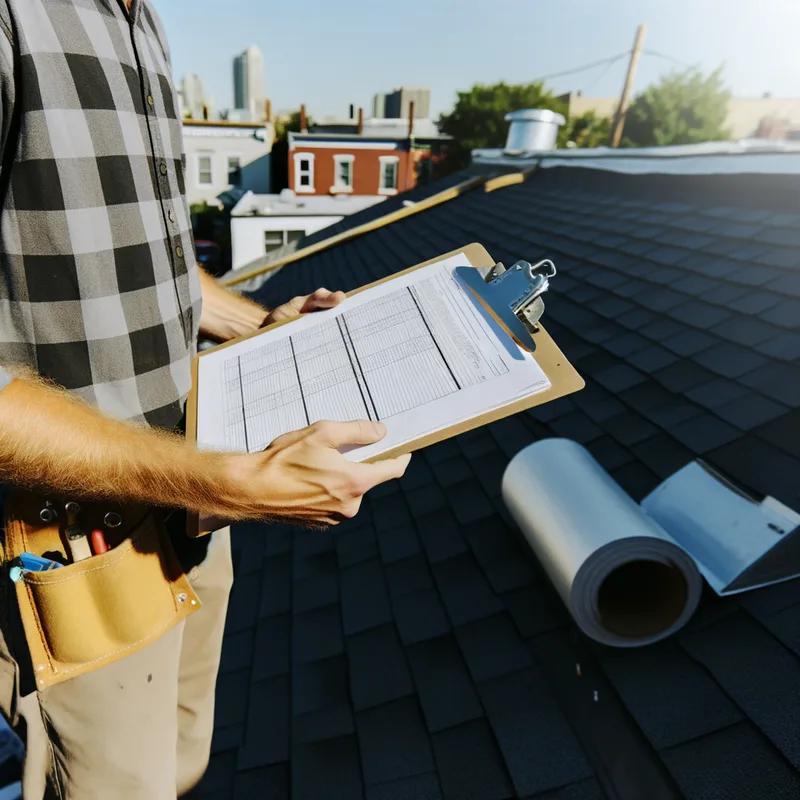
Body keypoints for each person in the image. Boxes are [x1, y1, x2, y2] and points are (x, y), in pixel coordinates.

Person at [0, 1, 411, 797]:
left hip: (190, 507)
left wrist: (265, 326)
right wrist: (222, 481)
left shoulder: (136, 19)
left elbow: (145, 253)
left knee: (182, 764)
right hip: (74, 550)